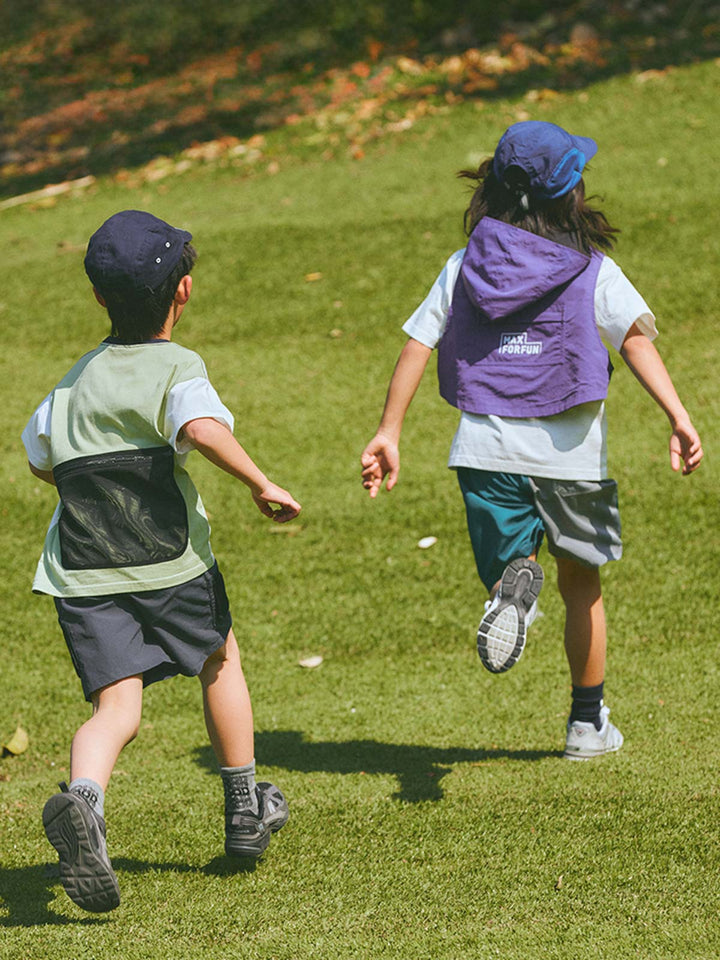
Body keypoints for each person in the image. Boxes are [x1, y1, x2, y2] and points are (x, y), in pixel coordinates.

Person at [361, 121, 703, 761]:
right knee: (582, 585)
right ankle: (585, 724)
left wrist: (389, 431)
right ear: (573, 193)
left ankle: (512, 583)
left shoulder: (463, 267)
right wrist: (678, 416)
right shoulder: (593, 270)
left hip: (484, 451)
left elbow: (417, 343)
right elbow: (634, 340)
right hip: (572, 457)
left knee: (509, 570)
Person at [22, 210, 301, 913]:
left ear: (99, 298)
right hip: (172, 565)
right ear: (182, 292)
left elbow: (41, 459)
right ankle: (245, 808)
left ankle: (85, 801)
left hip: (84, 574)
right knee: (219, 661)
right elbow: (200, 427)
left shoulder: (71, 383)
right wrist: (261, 482)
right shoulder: (177, 365)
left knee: (115, 706)